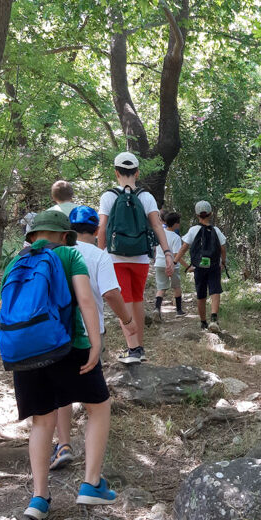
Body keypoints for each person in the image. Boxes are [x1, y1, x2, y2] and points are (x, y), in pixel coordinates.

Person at [0, 211, 118, 520]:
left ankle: (39, 498)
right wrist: (96, 343)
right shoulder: (69, 254)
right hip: (69, 347)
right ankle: (91, 483)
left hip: (25, 352)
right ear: (66, 236)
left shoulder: (15, 262)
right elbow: (86, 301)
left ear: (32, 237)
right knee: (98, 407)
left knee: (42, 421)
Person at [49, 206, 139, 471]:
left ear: (68, 230)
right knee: (95, 399)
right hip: (90, 332)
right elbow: (111, 293)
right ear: (98, 230)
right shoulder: (99, 256)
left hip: (56, 333)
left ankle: (63, 444)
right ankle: (93, 461)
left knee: (61, 391)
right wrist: (128, 321)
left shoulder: (56, 253)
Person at [97, 152, 173, 364]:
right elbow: (157, 225)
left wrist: (99, 253)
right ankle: (139, 347)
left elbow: (102, 227)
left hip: (115, 257)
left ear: (116, 173)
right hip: (140, 257)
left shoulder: (108, 196)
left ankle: (133, 350)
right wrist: (167, 253)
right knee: (137, 300)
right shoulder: (146, 197)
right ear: (137, 173)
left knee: (126, 301)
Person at [176, 200, 226, 333]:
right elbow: (222, 248)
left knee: (201, 294)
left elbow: (184, 247)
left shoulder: (193, 230)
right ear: (210, 213)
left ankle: (203, 323)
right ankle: (214, 319)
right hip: (214, 265)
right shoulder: (216, 230)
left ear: (197, 214)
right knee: (215, 290)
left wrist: (175, 261)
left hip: (199, 267)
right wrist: (223, 262)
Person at [154, 209, 184, 317]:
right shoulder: (176, 238)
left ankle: (157, 309)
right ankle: (179, 311)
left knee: (161, 288)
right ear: (175, 224)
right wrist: (187, 266)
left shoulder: (160, 234)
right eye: (178, 222)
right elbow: (177, 256)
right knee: (176, 286)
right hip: (172, 265)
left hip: (159, 263)